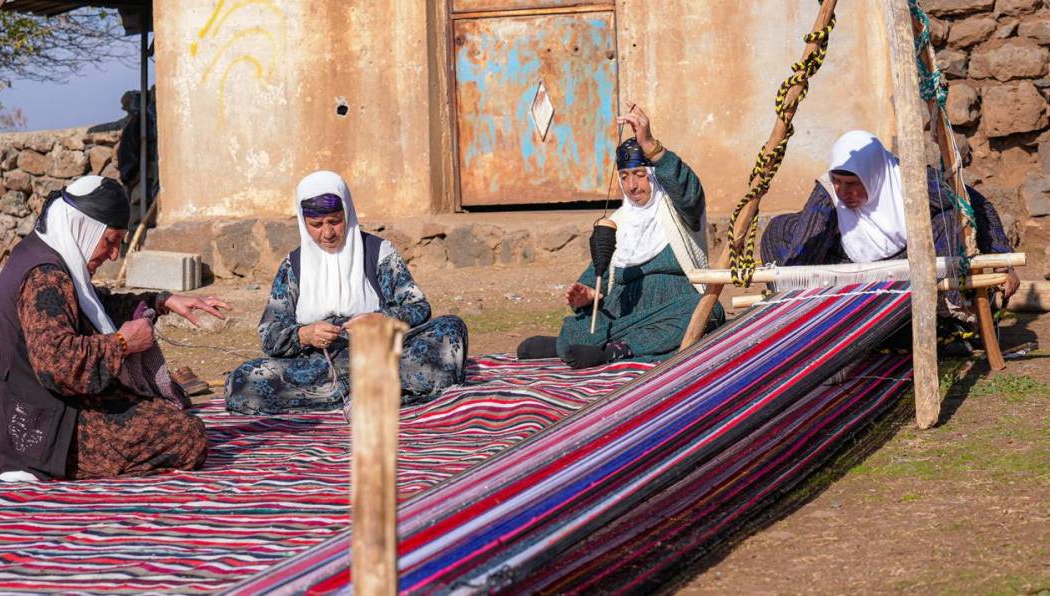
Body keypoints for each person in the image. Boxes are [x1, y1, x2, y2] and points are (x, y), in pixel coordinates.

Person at [0, 176, 230, 481]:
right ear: (85, 227)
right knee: (186, 437)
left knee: (168, 416)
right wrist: (123, 344)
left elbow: (96, 305)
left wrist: (163, 300)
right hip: (36, 432)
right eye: (110, 240)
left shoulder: (43, 254)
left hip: (40, 412)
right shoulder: (45, 276)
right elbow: (57, 365)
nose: (113, 254)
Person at [225, 170, 468, 415]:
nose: (327, 233)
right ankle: (376, 393)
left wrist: (383, 321)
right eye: (316, 225)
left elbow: (418, 306)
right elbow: (270, 334)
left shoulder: (378, 252)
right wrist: (304, 335)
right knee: (243, 382)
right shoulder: (294, 266)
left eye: (335, 221)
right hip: (319, 366)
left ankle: (353, 394)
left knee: (450, 329)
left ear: (348, 212)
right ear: (303, 222)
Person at [518, 104, 725, 369]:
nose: (632, 185)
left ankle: (614, 350)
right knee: (599, 317)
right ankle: (575, 343)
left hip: (673, 302)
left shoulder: (680, 211)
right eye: (625, 177)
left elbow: (689, 191)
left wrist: (651, 145)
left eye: (640, 175)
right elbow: (600, 271)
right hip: (625, 306)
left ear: (652, 176)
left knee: (706, 311)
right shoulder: (617, 222)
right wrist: (588, 293)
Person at [760, 130, 1019, 299]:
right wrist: (790, 286)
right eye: (837, 181)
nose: (843, 191)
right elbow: (804, 249)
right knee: (780, 228)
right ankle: (803, 313)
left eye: (853, 184)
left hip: (910, 271)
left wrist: (1000, 260)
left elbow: (974, 203)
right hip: (848, 272)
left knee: (952, 218)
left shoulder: (912, 183)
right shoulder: (828, 194)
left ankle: (947, 315)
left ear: (874, 176)